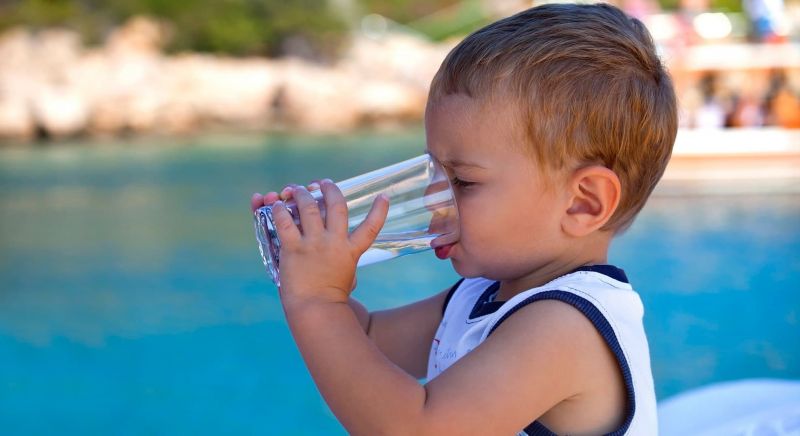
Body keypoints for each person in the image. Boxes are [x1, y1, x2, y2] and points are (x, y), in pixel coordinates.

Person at [250, 3, 677, 434]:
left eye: (462, 181)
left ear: (582, 203)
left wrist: (318, 301)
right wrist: (308, 270)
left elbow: (417, 429)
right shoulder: (480, 295)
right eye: (431, 170)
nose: (434, 199)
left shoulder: (568, 326)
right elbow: (367, 337)